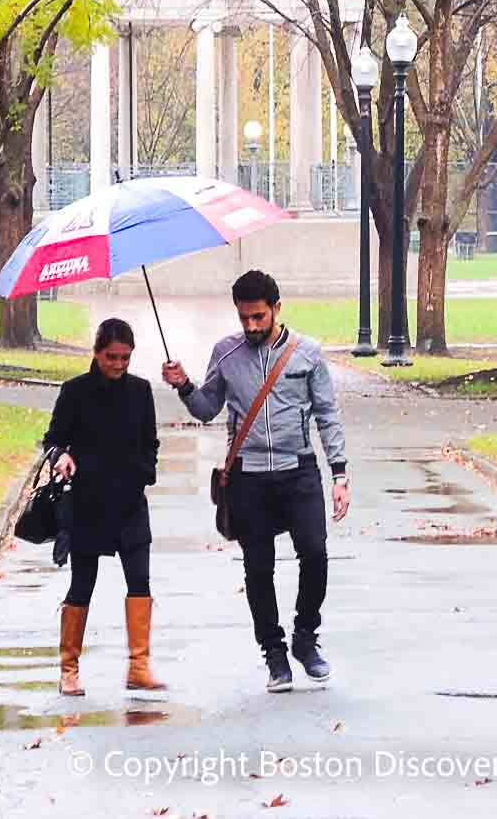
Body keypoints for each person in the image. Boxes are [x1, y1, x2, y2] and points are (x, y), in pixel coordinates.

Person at [161, 269, 349, 693]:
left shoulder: (307, 354)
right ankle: (274, 654)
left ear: (277, 309)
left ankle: (305, 638)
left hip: (298, 469)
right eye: (244, 317)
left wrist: (339, 474)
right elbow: (206, 408)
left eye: (259, 316)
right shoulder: (226, 353)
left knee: (314, 552)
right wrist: (184, 385)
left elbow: (327, 415)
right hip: (248, 476)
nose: (250, 325)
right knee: (258, 567)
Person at [44, 317, 164, 698]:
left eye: (125, 357)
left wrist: (145, 471)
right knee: (83, 584)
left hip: (130, 502)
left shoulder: (141, 391)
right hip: (88, 503)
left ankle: (139, 666)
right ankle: (69, 668)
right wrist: (61, 456)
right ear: (97, 353)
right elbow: (53, 440)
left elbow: (150, 442)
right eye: (112, 357)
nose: (118, 364)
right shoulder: (75, 392)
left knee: (140, 581)